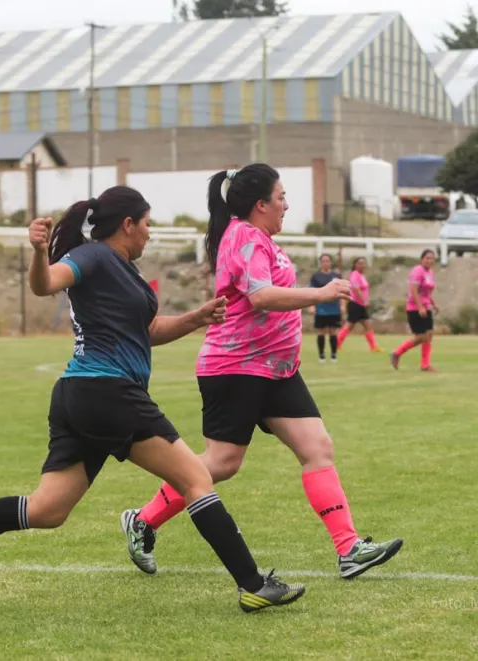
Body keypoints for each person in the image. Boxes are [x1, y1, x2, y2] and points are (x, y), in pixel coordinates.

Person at [0, 186, 305, 614]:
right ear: (128, 224)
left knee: (47, 509)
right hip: (108, 392)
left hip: (84, 395)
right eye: (147, 224)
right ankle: (252, 584)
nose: (150, 234)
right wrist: (39, 253)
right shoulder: (94, 256)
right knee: (196, 479)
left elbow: (147, 332)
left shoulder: (126, 270)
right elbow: (46, 284)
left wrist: (196, 318)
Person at [120, 164, 403, 581]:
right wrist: (320, 293)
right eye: (281, 197)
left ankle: (349, 549)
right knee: (221, 463)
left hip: (278, 369)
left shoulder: (261, 238)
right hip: (236, 368)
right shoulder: (245, 236)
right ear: (260, 204)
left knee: (317, 447)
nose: (286, 205)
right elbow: (261, 296)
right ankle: (142, 520)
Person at [391, 249, 440, 372]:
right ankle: (397, 353)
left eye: (432, 258)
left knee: (428, 335)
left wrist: (433, 304)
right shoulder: (417, 271)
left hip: (426, 307)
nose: (429, 260)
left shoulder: (430, 272)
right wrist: (420, 307)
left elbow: (427, 292)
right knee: (422, 337)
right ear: (421, 259)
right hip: (415, 308)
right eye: (427, 258)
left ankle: (425, 365)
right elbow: (414, 291)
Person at [335, 257, 383, 353]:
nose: (362, 265)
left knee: (367, 325)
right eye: (360, 263)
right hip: (355, 304)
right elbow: (356, 290)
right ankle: (336, 345)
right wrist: (364, 301)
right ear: (355, 265)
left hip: (361, 305)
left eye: (364, 263)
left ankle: (373, 347)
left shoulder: (362, 275)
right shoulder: (354, 275)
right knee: (349, 325)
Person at [309, 253, 343, 363]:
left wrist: (342, 305)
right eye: (323, 261)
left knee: (333, 331)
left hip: (334, 309)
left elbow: (341, 291)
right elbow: (311, 291)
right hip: (321, 309)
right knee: (321, 332)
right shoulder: (316, 276)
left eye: (327, 260)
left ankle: (334, 354)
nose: (326, 263)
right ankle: (321, 355)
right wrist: (312, 306)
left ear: (331, 262)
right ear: (320, 263)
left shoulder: (337, 276)